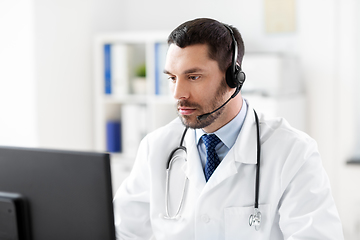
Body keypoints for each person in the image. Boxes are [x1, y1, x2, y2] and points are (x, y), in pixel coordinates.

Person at [113, 18, 344, 239]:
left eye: (193, 77)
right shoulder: (156, 148)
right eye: (173, 78)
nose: (177, 94)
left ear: (234, 78)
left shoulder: (293, 152)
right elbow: (120, 231)